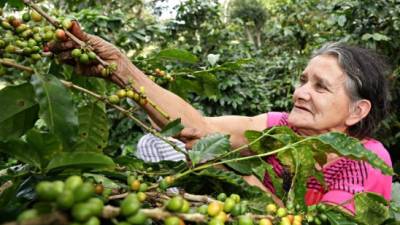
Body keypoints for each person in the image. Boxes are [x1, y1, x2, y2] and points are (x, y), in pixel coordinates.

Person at [49, 22, 393, 214]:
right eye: (303, 80)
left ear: (356, 111)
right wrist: (120, 68)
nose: (300, 93)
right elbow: (199, 130)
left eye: (320, 87)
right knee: (158, 143)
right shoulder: (280, 127)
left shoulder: (366, 162)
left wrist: (231, 176)